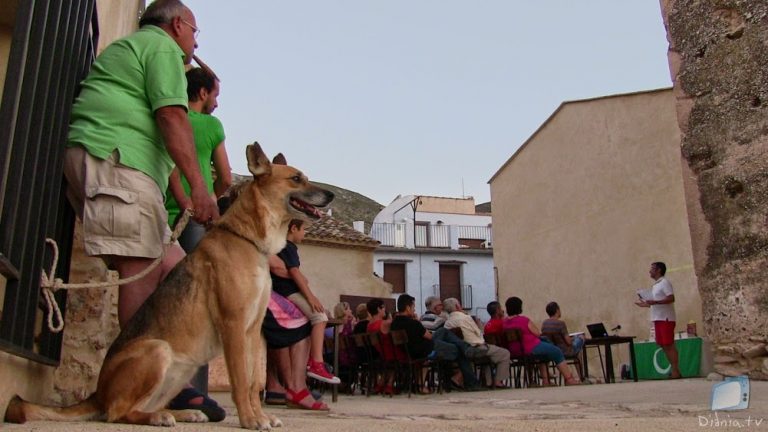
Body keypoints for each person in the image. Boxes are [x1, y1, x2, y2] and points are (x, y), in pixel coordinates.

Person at [62, 0, 222, 420]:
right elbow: (171, 117)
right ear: (178, 25)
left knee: (177, 270)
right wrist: (202, 190)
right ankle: (140, 397)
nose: (194, 42)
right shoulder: (162, 48)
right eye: (195, 32)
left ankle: (167, 380)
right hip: (116, 161)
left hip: (123, 166)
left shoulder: (146, 48)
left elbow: (161, 130)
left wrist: (184, 198)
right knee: (144, 271)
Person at [166, 66, 232, 252]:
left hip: (159, 209)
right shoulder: (212, 125)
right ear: (203, 93)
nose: (216, 103)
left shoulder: (170, 118)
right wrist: (210, 198)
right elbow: (226, 178)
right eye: (215, 95)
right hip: (194, 215)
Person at [269, 219, 340, 384]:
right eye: (303, 230)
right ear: (293, 228)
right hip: (288, 291)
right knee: (320, 317)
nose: (305, 233)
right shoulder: (288, 246)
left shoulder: (280, 246)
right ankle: (316, 362)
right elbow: (294, 272)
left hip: (282, 290)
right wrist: (310, 296)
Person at [390, 294, 482, 392]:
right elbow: (429, 337)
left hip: (410, 351)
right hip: (427, 350)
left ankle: (465, 347)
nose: (414, 309)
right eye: (413, 307)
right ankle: (471, 382)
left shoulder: (394, 324)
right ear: (408, 307)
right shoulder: (413, 323)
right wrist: (417, 321)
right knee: (458, 349)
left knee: (443, 331)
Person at [263, 291, 329, 411]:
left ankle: (283, 385)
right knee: (300, 320)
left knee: (292, 319)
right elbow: (282, 271)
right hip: (255, 285)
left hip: (262, 284)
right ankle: (295, 388)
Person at [502, 297, 580, 386]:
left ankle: (546, 381)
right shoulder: (524, 320)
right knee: (556, 351)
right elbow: (537, 333)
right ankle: (569, 379)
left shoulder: (504, 323)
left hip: (514, 351)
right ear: (519, 307)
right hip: (530, 347)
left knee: (543, 355)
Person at [443, 297, 511, 388]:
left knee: (491, 355)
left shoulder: (447, 323)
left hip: (461, 350)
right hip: (475, 347)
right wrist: (479, 325)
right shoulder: (466, 317)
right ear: (457, 306)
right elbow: (479, 334)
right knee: (504, 353)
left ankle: (488, 381)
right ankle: (497, 381)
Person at [634, 261, 681, 379]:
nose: (650, 271)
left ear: (659, 270)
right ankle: (674, 369)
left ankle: (675, 370)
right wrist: (646, 304)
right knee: (663, 345)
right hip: (657, 318)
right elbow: (656, 303)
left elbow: (671, 298)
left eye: (652, 269)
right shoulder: (656, 285)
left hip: (666, 318)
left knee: (669, 344)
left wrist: (655, 302)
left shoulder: (665, 282)